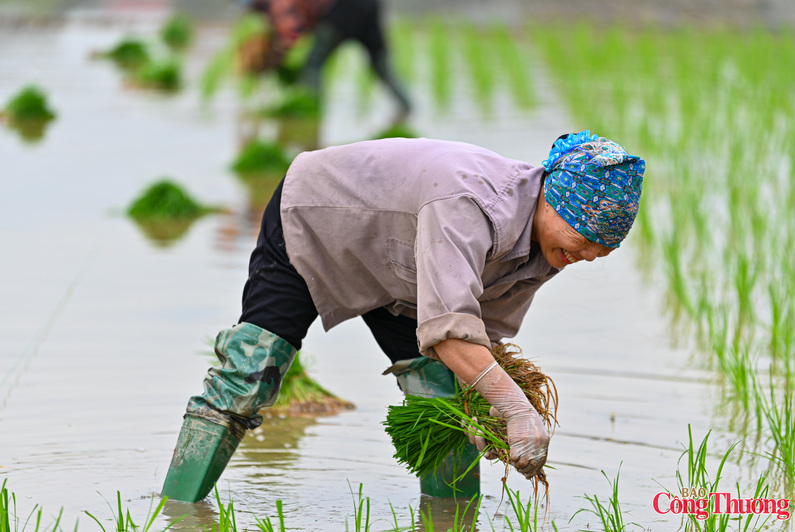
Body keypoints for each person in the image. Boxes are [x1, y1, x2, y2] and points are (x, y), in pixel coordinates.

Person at [161, 131, 646, 502]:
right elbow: (451, 330)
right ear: (553, 201)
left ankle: (451, 519)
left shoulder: (552, 249)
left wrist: (484, 405)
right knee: (252, 370)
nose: (589, 255)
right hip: (319, 225)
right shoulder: (470, 205)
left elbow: (481, 332)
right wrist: (516, 408)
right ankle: (177, 510)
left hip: (406, 270)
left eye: (604, 250)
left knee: (445, 402)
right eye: (585, 238)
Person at [236, 0, 412, 122]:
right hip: (368, 7)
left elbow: (292, 32)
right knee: (382, 68)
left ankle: (312, 109)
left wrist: (277, 57)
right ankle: (406, 109)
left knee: (312, 65)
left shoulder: (277, 4)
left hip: (341, 13)